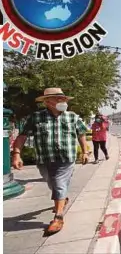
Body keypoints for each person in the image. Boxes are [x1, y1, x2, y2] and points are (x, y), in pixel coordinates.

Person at [11, 88, 89, 235]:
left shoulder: (72, 117)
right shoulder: (36, 117)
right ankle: (62, 197)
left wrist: (85, 151)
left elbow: (81, 134)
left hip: (66, 158)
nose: (62, 101)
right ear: (47, 102)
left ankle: (58, 217)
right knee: (51, 183)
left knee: (59, 183)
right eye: (58, 99)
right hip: (44, 160)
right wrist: (16, 154)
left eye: (63, 99)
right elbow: (22, 136)